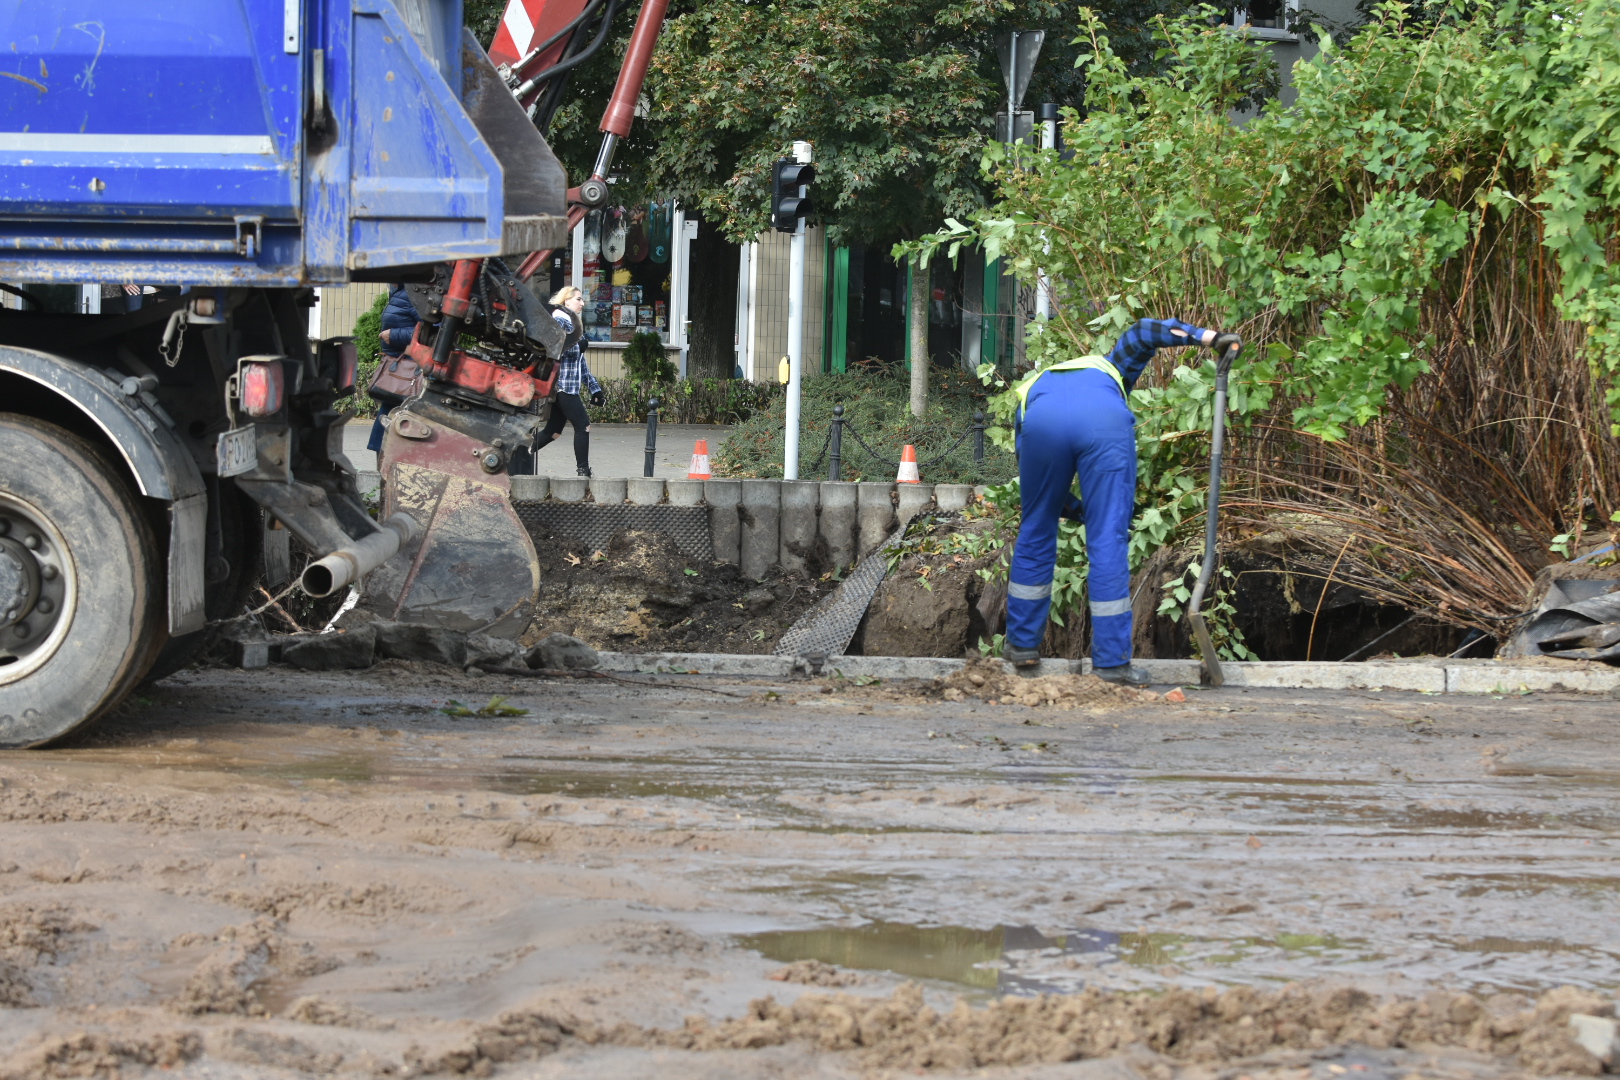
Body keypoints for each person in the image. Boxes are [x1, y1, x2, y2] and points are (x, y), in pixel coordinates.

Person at [1004, 318, 1233, 685]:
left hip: (1041, 424)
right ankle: (1111, 664)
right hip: (1104, 424)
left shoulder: (1032, 389)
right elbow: (1145, 332)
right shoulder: (1111, 369)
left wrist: (1074, 510)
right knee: (1107, 538)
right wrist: (1212, 339)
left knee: (1035, 526)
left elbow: (1042, 488)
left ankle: (1021, 645)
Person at [529, 285, 602, 477]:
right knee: (583, 425)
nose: (582, 303)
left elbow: (581, 363)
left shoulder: (574, 324)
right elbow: (555, 347)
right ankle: (583, 472)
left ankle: (520, 452)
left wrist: (595, 389)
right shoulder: (560, 319)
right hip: (562, 387)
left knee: (553, 432)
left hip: (567, 387)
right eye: (578, 299)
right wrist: (578, 344)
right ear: (566, 301)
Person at [366, 283, 421, 454]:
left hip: (408, 369)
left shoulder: (411, 293)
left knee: (393, 407)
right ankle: (383, 460)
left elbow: (433, 329)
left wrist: (395, 336)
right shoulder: (399, 292)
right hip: (400, 367)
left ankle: (385, 460)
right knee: (390, 408)